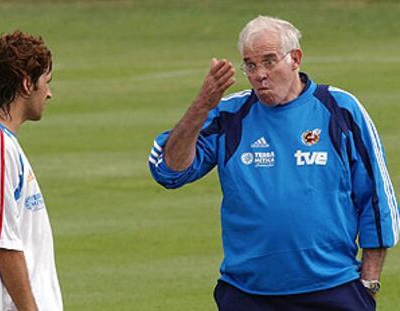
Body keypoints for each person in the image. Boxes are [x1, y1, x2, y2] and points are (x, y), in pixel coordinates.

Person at [149, 15, 400, 311]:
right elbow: (169, 170)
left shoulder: (341, 110)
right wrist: (203, 105)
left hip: (332, 289)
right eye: (250, 65)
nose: (259, 75)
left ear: (295, 58)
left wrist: (369, 282)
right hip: (247, 294)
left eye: (269, 62)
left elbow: (376, 200)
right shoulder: (229, 116)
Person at [0, 31, 63, 310]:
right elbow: (1, 242)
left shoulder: (3, 143)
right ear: (27, 83)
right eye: (46, 82)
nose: (50, 93)